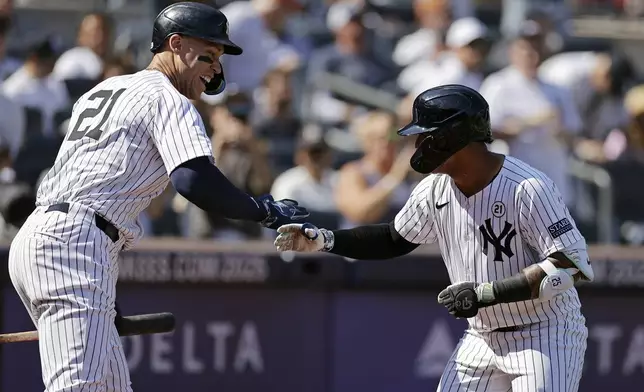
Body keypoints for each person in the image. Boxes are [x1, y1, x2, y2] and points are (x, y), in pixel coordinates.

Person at [7, 2, 309, 392]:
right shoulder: (168, 98)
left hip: (49, 237)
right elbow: (193, 180)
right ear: (176, 43)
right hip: (74, 242)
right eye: (210, 55)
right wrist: (262, 210)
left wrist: (102, 284)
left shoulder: (107, 88)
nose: (216, 70)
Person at [275, 84, 594, 391]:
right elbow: (392, 238)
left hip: (545, 334)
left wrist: (487, 293)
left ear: (454, 136)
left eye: (426, 136)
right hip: (483, 337)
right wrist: (327, 240)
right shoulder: (434, 189)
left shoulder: (527, 187)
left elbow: (572, 265)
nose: (417, 146)